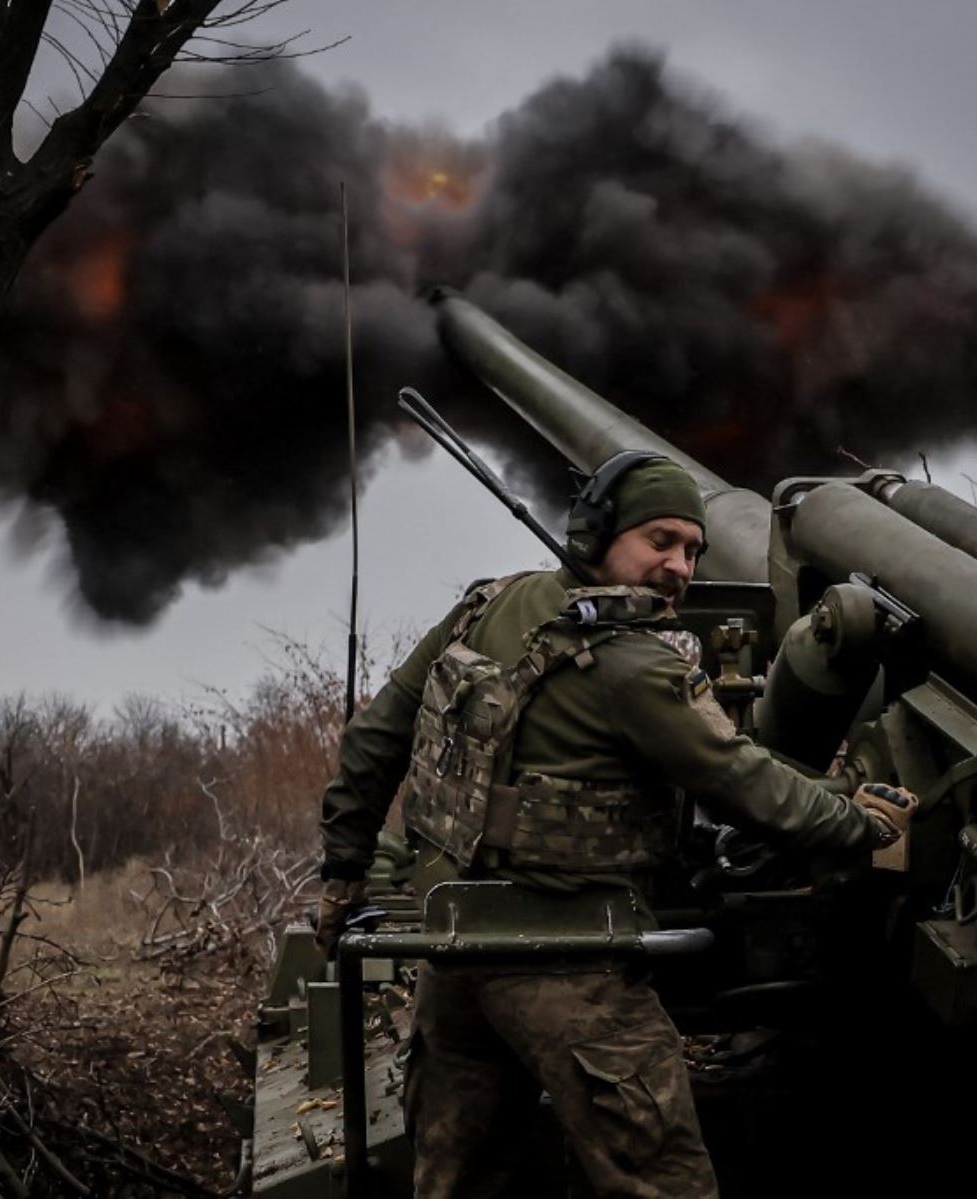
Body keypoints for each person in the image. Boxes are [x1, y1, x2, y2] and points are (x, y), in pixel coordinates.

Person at [314, 451, 915, 1199]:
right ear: (596, 534)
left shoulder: (484, 606)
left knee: (454, 1183)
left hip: (452, 957)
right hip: (571, 970)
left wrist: (342, 870)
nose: (680, 566)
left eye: (692, 549)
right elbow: (746, 785)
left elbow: (376, 736)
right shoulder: (636, 665)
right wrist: (862, 824)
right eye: (660, 540)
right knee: (666, 1184)